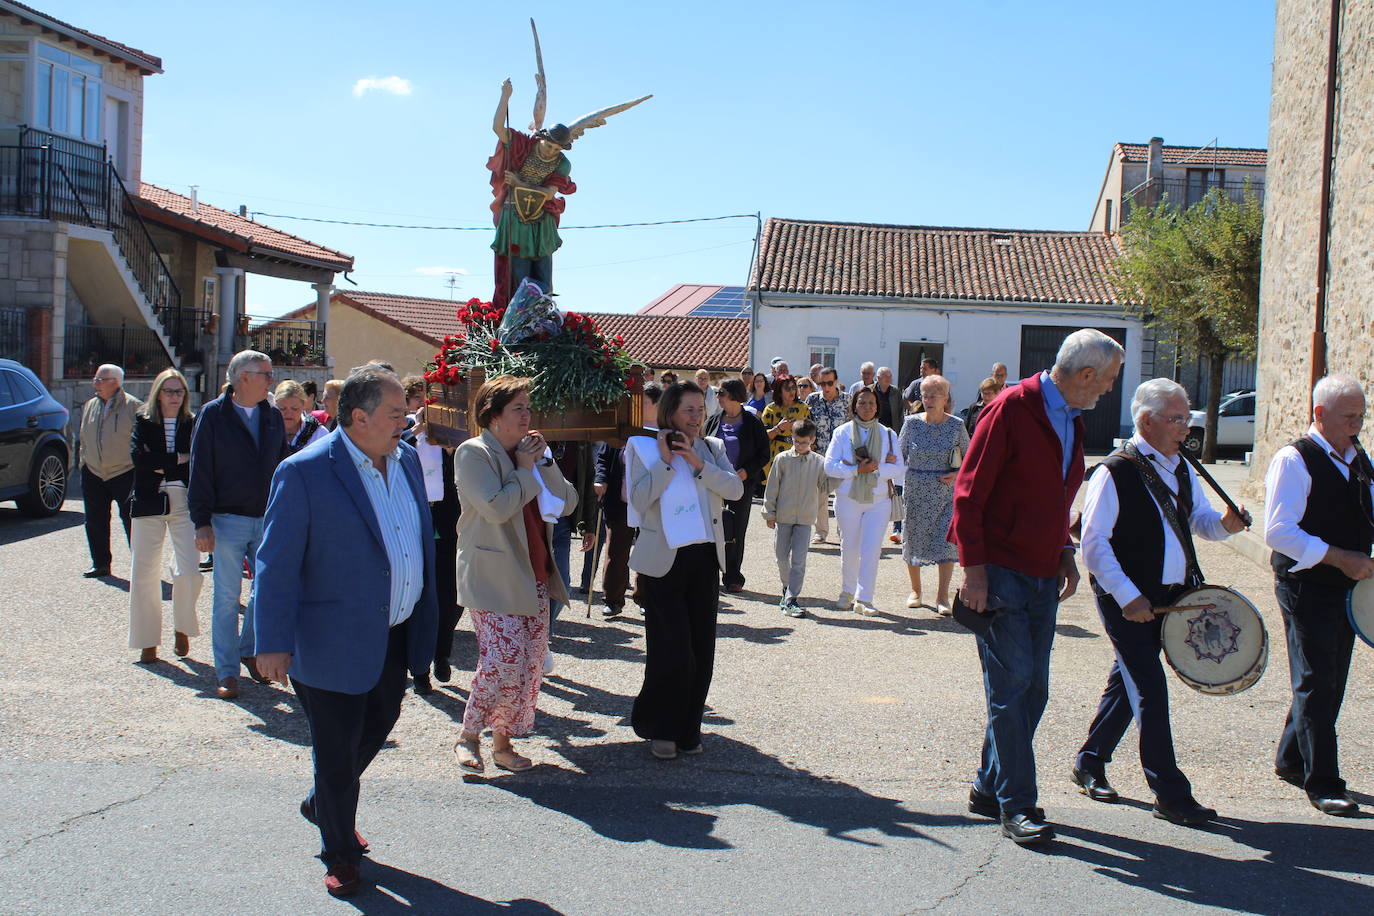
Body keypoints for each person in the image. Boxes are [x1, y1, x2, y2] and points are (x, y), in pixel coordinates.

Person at [253, 366, 439, 898]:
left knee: (381, 719)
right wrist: (271, 641)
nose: (408, 419)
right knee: (335, 754)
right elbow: (276, 562)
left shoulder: (403, 461)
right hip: (329, 637)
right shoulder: (305, 471)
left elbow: (413, 538)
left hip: (394, 631)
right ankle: (339, 851)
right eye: (397, 412)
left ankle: (321, 803)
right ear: (359, 418)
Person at [951, 328, 1123, 845]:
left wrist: (1066, 551)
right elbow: (968, 494)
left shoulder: (1071, 415)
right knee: (1013, 687)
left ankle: (988, 785)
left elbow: (1054, 497)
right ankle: (1017, 804)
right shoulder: (1011, 408)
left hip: (1044, 571)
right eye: (1108, 379)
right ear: (1086, 375)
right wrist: (974, 571)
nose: (1109, 389)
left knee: (1034, 689)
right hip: (1000, 572)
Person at [1074, 379, 1247, 825]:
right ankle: (1170, 792)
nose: (1184, 428)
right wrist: (1130, 598)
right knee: (1149, 689)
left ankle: (1090, 761)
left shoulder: (1183, 466)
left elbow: (1201, 523)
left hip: (1172, 596)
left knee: (1128, 683)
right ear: (1146, 420)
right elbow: (1093, 546)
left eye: (1187, 418)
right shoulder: (1114, 471)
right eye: (1176, 419)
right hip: (1125, 598)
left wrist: (1226, 524)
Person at [452, 376, 577, 774]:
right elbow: (496, 507)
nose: (527, 415)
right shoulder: (473, 453)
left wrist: (543, 461)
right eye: (518, 408)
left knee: (528, 664)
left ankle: (503, 744)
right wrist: (524, 469)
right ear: (493, 415)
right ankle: (468, 737)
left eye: (528, 407)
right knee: (502, 660)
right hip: (492, 574)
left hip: (533, 572)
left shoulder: (531, 452)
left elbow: (569, 501)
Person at [1264, 373, 1374, 817]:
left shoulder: (1359, 457)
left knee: (1329, 679)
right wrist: (1340, 557)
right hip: (1305, 584)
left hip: (1346, 587)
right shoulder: (1294, 459)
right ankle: (1323, 781)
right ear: (1320, 414)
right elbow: (1278, 531)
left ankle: (1292, 760)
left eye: (1362, 415)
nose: (1357, 424)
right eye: (1349, 416)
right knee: (1316, 680)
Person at [626, 381, 743, 759]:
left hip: (704, 558)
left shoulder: (713, 448)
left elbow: (736, 491)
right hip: (664, 561)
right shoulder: (643, 449)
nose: (696, 417)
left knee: (701, 648)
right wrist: (664, 461)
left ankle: (689, 728)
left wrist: (697, 464)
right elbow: (639, 500)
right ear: (670, 413)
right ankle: (661, 727)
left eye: (700, 409)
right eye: (688, 410)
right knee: (671, 649)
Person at [190, 350, 287, 700]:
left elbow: (282, 467)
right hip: (227, 519)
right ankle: (227, 671)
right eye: (266, 373)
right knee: (228, 599)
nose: (271, 380)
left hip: (266, 519)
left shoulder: (272, 415)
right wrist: (201, 522)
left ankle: (249, 650)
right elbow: (199, 469)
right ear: (243, 377)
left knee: (266, 593)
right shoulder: (213, 415)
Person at [127, 368, 201, 663]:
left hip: (184, 500)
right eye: (169, 391)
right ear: (158, 393)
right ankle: (147, 640)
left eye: (179, 391)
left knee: (190, 572)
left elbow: (195, 459)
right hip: (148, 499)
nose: (174, 397)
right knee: (143, 572)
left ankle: (182, 626)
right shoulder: (143, 421)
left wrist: (164, 462)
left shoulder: (193, 423)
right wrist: (176, 459)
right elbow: (138, 460)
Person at [401, 376, 461, 695]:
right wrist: (417, 431)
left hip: (449, 522)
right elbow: (394, 455)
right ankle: (420, 666)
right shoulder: (408, 430)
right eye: (421, 400)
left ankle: (442, 653)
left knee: (450, 595)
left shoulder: (453, 434)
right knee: (422, 595)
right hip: (416, 521)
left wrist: (452, 451)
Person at [824, 387, 905, 616]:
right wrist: (856, 469)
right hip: (848, 498)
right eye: (862, 403)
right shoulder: (842, 432)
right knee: (849, 547)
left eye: (871, 403)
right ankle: (847, 592)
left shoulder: (888, 434)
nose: (867, 407)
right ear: (854, 406)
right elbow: (829, 466)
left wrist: (879, 467)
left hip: (878, 501)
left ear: (877, 406)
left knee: (871, 550)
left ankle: (865, 598)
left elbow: (899, 468)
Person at [899, 375, 970, 615]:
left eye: (933, 395)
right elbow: (898, 455)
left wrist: (957, 473)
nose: (928, 400)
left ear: (945, 399)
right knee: (914, 539)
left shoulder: (957, 425)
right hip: (916, 491)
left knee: (946, 542)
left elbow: (970, 460)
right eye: (925, 395)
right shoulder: (911, 423)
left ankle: (942, 596)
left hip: (945, 493)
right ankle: (916, 591)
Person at [705, 378, 768, 593]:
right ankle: (709, 573)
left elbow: (763, 454)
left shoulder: (752, 422)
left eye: (721, 393)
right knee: (713, 528)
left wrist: (746, 471)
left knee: (736, 531)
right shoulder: (713, 420)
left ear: (733, 395)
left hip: (741, 484)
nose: (718, 397)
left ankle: (732, 576)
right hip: (713, 484)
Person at [79, 363, 141, 578]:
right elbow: (83, 437)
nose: (94, 383)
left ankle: (141, 566)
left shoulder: (134, 407)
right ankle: (101, 564)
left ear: (115, 382)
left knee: (132, 520)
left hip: (124, 472)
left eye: (99, 380)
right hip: (94, 472)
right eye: (95, 379)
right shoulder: (89, 405)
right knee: (95, 519)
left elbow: (141, 442)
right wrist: (84, 463)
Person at [763, 418, 828, 618]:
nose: (800, 446)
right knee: (782, 556)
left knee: (799, 560)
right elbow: (772, 487)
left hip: (805, 518)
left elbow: (826, 487)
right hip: (783, 516)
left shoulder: (818, 462)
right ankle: (786, 586)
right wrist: (769, 512)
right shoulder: (782, 459)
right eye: (796, 442)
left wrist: (839, 471)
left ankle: (792, 598)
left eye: (804, 442)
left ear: (812, 440)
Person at [805, 367, 849, 544]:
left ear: (837, 382)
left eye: (829, 383)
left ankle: (844, 532)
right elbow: (807, 424)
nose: (826, 387)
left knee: (843, 497)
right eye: (822, 384)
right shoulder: (812, 400)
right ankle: (821, 531)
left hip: (843, 456)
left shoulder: (847, 400)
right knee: (820, 496)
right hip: (820, 454)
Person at [760, 376, 810, 483]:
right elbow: (762, 436)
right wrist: (779, 428)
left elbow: (811, 433)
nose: (792, 391)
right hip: (776, 456)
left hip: (799, 453)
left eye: (793, 388)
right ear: (779, 391)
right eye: (787, 389)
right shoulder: (770, 409)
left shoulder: (803, 408)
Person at [276, 380, 328, 455]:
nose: (288, 413)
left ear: (304, 405)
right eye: (282, 408)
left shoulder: (319, 434)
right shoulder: (268, 432)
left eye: (294, 408)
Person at [874, 367, 904, 432]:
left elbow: (900, 413)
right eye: (886, 376)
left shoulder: (896, 392)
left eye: (890, 376)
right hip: (874, 429)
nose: (889, 379)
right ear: (878, 378)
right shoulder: (870, 391)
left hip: (891, 430)